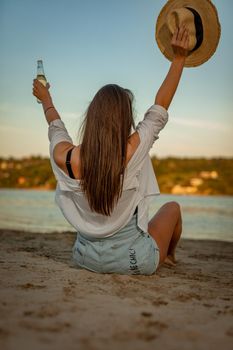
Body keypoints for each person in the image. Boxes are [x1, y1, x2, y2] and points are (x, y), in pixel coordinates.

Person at [33, 25, 189, 276]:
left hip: (84, 259)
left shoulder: (65, 157)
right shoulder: (133, 151)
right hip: (135, 261)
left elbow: (55, 125)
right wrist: (179, 59)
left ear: (92, 117)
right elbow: (160, 107)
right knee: (172, 208)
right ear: (125, 119)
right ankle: (168, 256)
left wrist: (46, 100)